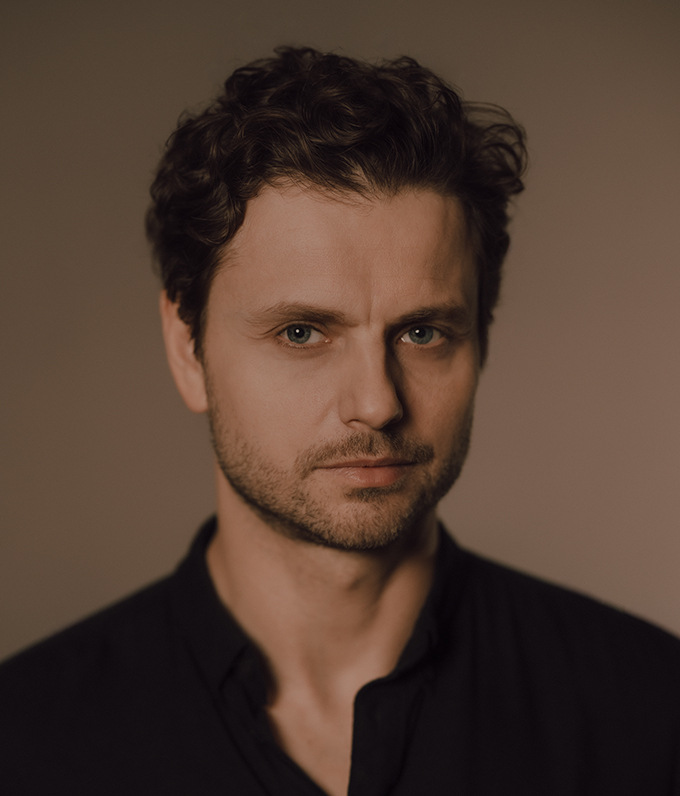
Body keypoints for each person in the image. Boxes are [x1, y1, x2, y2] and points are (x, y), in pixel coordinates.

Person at [1, 46, 679, 796]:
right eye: (302, 333)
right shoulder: (25, 743)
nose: (377, 402)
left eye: (423, 332)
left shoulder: (650, 713)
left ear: (480, 341)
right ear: (187, 348)